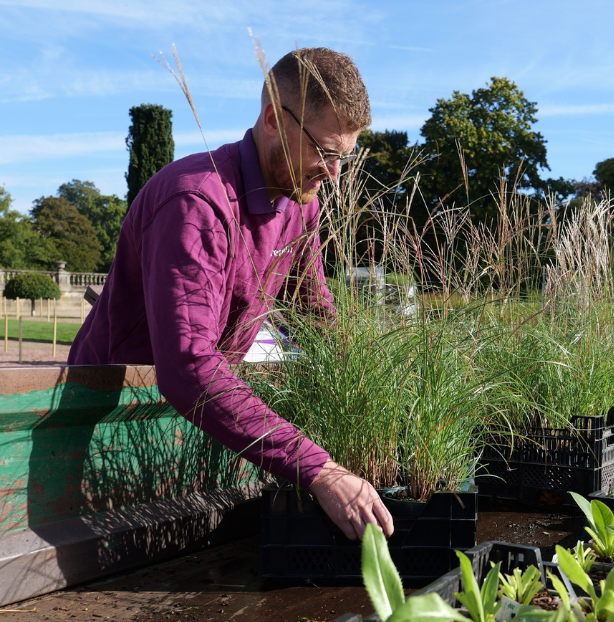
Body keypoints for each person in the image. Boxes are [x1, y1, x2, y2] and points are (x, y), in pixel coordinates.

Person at [69, 48, 394, 541]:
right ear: (272, 119)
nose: (333, 174)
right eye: (325, 153)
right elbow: (188, 366)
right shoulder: (196, 201)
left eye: (342, 158)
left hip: (194, 424)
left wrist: (378, 410)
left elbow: (317, 317)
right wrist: (321, 470)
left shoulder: (299, 203)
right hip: (111, 425)